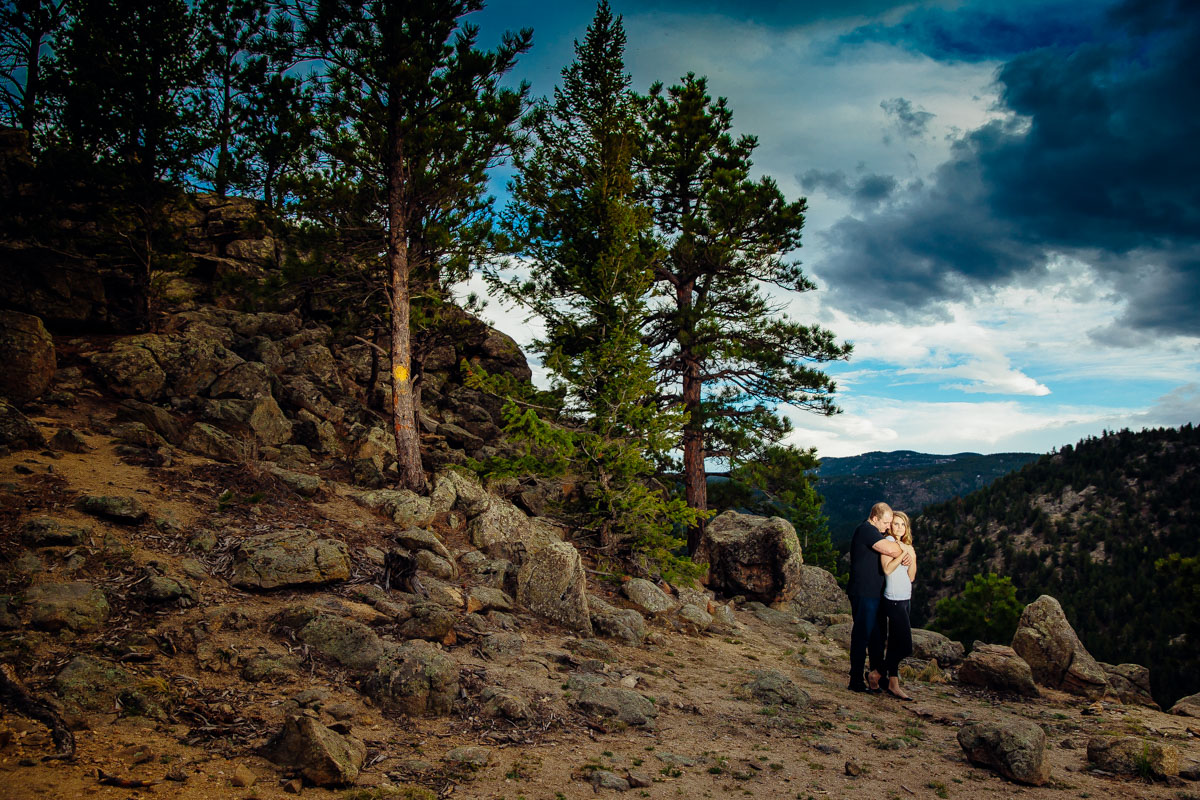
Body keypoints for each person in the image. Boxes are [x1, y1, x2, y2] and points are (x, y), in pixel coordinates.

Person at [847, 502, 910, 692]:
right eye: (885, 522)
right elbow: (891, 550)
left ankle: (877, 677)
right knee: (862, 635)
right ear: (875, 518)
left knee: (877, 637)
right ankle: (855, 680)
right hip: (863, 592)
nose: (888, 526)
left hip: (875, 594)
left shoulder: (875, 531)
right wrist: (905, 551)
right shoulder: (866, 530)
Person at [871, 510, 917, 700]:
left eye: (902, 524)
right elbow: (887, 569)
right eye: (895, 524)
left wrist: (911, 556)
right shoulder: (887, 544)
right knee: (906, 646)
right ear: (889, 526)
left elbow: (911, 576)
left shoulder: (907, 546)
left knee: (896, 643)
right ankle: (876, 673)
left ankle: (893, 684)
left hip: (906, 598)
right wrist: (901, 554)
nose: (899, 527)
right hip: (893, 599)